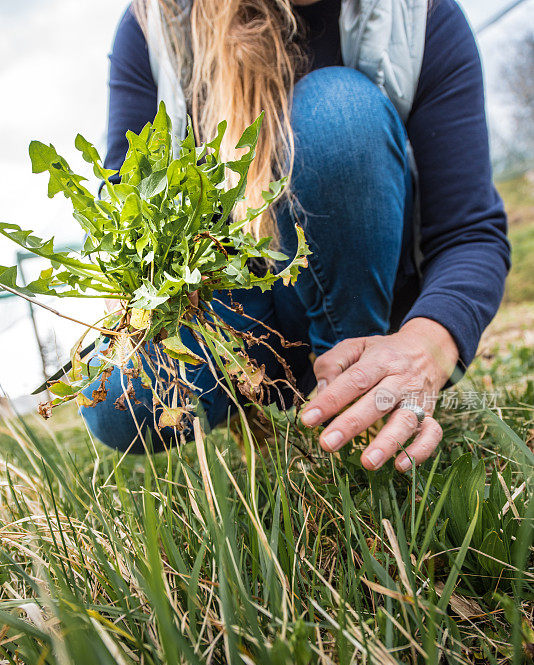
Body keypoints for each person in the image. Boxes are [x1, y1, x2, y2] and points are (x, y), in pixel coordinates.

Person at [82, 0, 510, 470]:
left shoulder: (415, 15)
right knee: (116, 392)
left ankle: (356, 400)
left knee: (339, 116)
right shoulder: (160, 24)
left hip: (377, 294)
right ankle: (266, 404)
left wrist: (426, 346)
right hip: (238, 310)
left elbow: (469, 233)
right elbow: (129, 213)